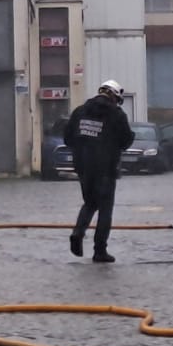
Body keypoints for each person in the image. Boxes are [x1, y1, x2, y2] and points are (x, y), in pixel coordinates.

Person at [64, 79, 134, 263]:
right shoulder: (117, 115)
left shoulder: (79, 111)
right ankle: (99, 251)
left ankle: (77, 234)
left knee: (89, 203)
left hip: (83, 168)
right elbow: (126, 140)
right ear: (114, 96)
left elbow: (67, 138)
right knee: (105, 209)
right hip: (105, 169)